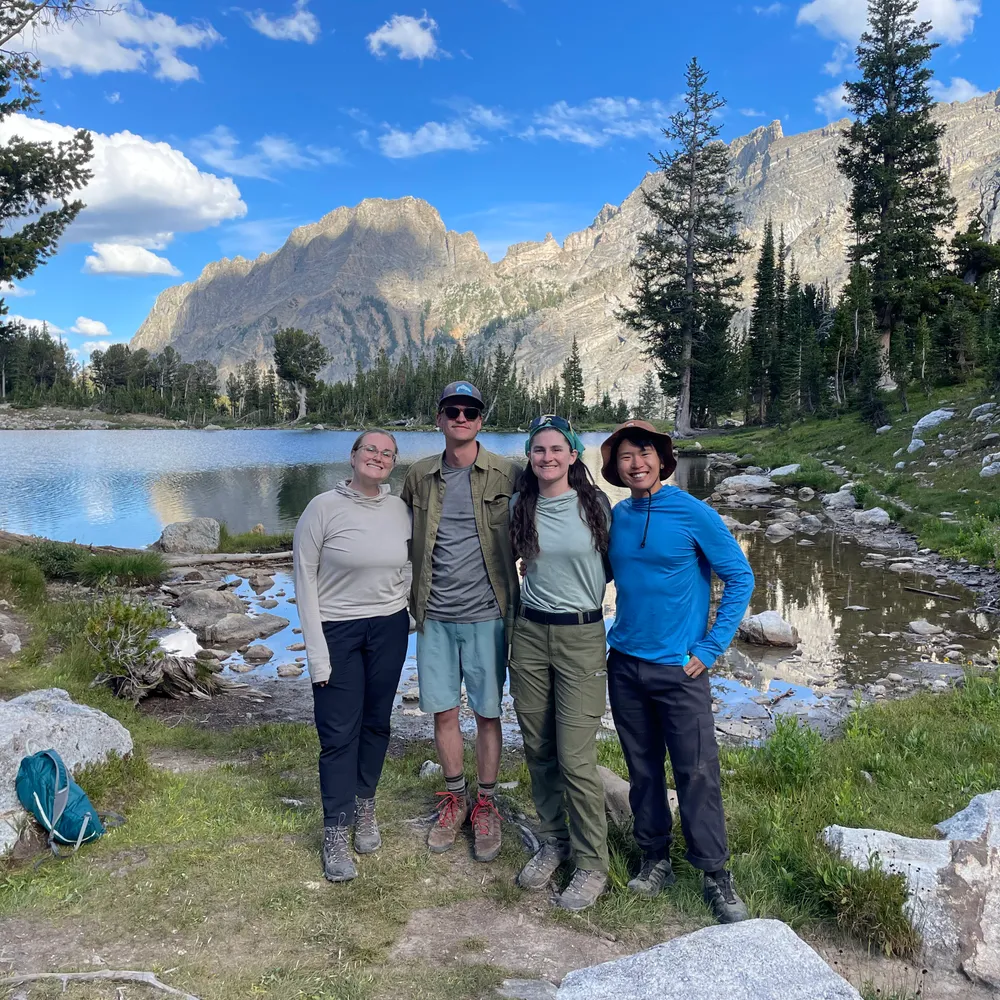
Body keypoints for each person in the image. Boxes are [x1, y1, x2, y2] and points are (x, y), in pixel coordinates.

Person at [599, 419, 755, 923]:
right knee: (642, 771)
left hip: (680, 671)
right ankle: (654, 858)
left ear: (662, 460)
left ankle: (715, 874)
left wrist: (711, 648)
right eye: (626, 456)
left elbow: (739, 577)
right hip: (624, 663)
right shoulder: (619, 516)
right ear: (615, 467)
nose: (636, 463)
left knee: (697, 771)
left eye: (645, 453)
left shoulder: (694, 513)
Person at [401, 381, 520, 862]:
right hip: (433, 615)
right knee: (443, 711)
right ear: (440, 419)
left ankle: (486, 803)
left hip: (489, 615)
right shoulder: (419, 476)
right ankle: (454, 799)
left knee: (488, 713)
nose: (461, 417)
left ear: (481, 420)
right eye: (453, 410)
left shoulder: (508, 475)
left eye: (470, 411)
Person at [293, 429, 411, 883]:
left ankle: (365, 804)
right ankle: (336, 829)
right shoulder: (322, 508)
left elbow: (409, 564)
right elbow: (304, 581)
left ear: (393, 463)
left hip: (389, 627)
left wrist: (404, 609)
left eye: (387, 453)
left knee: (377, 722)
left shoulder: (399, 509)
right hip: (337, 628)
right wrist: (317, 657)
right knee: (339, 731)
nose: (377, 457)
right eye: (370, 450)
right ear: (353, 456)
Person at [508, 415, 612, 911]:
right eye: (538, 451)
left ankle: (592, 865)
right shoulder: (519, 505)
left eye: (556, 450)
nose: (547, 458)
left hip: (583, 636)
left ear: (574, 456)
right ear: (529, 458)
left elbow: (618, 568)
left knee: (576, 756)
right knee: (538, 746)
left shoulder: (596, 506)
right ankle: (554, 840)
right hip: (529, 635)